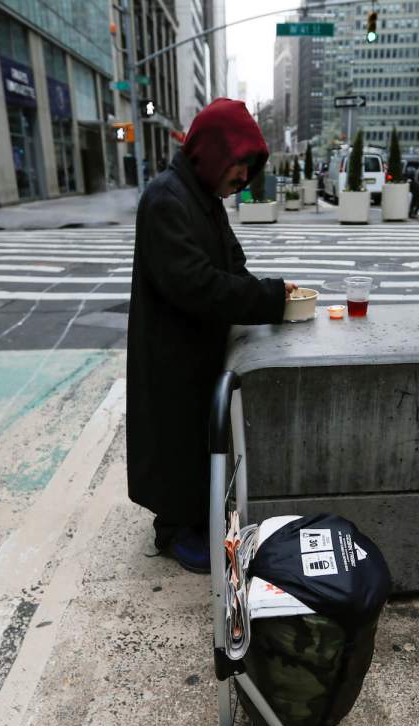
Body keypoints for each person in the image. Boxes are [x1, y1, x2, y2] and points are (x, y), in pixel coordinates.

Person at [127, 98, 297, 573]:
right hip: (171, 352)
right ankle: (175, 528)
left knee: (200, 438)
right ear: (214, 151)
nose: (244, 177)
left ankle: (195, 517)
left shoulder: (205, 199)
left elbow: (232, 268)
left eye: (250, 167)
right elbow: (194, 284)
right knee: (175, 440)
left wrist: (269, 294)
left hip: (201, 347)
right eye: (240, 163)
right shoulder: (166, 198)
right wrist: (268, 299)